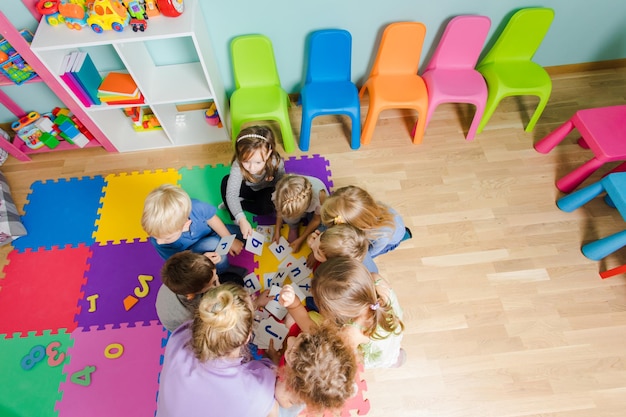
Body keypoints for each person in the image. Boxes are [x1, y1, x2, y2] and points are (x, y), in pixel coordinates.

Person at [156, 284, 279, 417]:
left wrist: (252, 306)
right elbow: (268, 382)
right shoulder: (256, 390)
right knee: (275, 407)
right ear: (247, 338)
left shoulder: (178, 338)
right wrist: (272, 362)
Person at [280, 257, 405, 369]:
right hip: (393, 331)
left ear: (335, 314)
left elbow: (306, 323)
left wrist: (293, 304)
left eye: (318, 302)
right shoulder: (376, 280)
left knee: (388, 359)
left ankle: (393, 360)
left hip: (379, 353)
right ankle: (395, 355)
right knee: (391, 350)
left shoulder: (347, 335)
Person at [156, 251, 270, 332]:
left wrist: (204, 260)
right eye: (214, 282)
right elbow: (226, 320)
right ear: (192, 294)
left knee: (235, 281)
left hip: (175, 301)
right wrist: (255, 304)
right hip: (190, 324)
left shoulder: (178, 280)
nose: (218, 282)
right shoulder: (197, 312)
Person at [141, 184, 244, 273]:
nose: (159, 242)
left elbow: (212, 218)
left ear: (185, 224)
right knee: (215, 247)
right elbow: (176, 263)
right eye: (154, 236)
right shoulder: (159, 241)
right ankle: (223, 272)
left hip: (211, 231)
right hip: (193, 252)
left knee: (243, 232)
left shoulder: (196, 207)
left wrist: (229, 239)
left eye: (167, 238)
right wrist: (200, 261)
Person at [269, 323, 358, 417]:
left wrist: (273, 362)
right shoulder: (308, 377)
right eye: (301, 336)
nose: (290, 340)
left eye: (290, 352)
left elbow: (283, 404)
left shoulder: (283, 392)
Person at [220, 126, 285, 239]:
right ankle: (235, 214)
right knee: (226, 183)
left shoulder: (276, 163)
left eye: (258, 162)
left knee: (267, 207)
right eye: (246, 161)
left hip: (265, 191)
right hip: (248, 187)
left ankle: (240, 204)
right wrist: (241, 219)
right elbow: (231, 193)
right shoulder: (238, 164)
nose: (252, 168)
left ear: (269, 153)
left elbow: (281, 187)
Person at [320, 185, 411, 258]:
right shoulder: (363, 208)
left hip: (391, 239)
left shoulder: (381, 237)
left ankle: (404, 235)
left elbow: (366, 255)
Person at [272, 174, 328, 252]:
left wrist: (301, 239)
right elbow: (280, 211)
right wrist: (277, 230)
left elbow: (316, 220)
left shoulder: (319, 200)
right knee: (287, 215)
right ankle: (293, 227)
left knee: (325, 227)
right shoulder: (281, 192)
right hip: (301, 204)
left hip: (317, 209)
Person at [306, 224, 378, 273]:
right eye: (319, 236)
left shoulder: (338, 274)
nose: (312, 246)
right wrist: (315, 252)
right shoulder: (333, 237)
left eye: (318, 252)